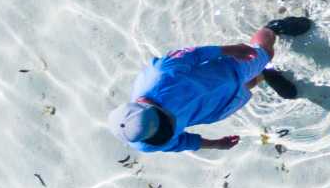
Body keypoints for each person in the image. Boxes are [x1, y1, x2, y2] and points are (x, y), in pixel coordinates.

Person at [106, 17, 312, 154]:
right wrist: (216, 144)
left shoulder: (161, 74)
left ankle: (273, 28)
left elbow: (193, 55)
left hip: (227, 69)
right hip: (215, 107)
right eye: (167, 129)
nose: (172, 121)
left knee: (265, 52)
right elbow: (182, 142)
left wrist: (229, 50)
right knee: (245, 88)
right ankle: (265, 75)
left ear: (146, 105)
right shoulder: (152, 141)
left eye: (165, 119)